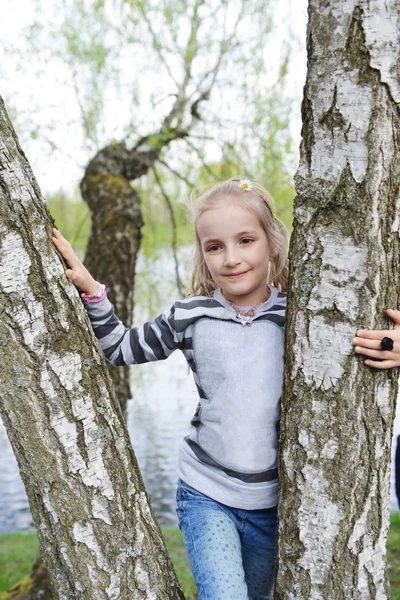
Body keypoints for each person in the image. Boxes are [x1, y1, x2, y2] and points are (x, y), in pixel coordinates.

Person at [51, 176, 399, 599]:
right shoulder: (190, 315)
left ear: (272, 243)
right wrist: (92, 290)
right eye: (214, 246)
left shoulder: (303, 317)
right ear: (203, 253)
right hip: (206, 493)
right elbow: (122, 348)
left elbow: (365, 345)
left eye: (246, 240)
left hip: (276, 504)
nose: (231, 258)